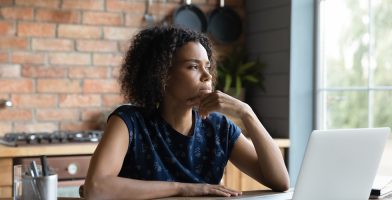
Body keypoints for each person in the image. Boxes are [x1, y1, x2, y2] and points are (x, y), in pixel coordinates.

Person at [84, 25, 289, 199]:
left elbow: (280, 181)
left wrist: (247, 113)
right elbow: (96, 188)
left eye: (208, 66)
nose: (207, 75)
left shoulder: (218, 127)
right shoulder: (129, 122)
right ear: (164, 75)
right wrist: (184, 188)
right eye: (193, 67)